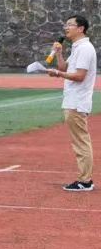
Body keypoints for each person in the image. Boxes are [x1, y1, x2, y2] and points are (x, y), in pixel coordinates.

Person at [47, 15, 98, 191]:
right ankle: (85, 179)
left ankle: (85, 181)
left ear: (81, 28)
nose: (66, 28)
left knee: (81, 142)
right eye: (66, 24)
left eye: (70, 25)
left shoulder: (85, 48)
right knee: (79, 141)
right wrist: (59, 53)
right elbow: (64, 68)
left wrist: (57, 74)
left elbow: (79, 76)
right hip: (72, 100)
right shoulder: (77, 47)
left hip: (77, 102)